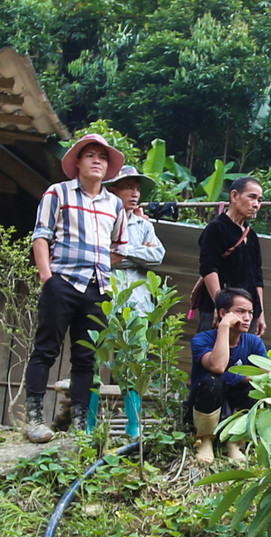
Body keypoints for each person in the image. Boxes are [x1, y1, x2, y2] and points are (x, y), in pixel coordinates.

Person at [23, 133, 130, 441]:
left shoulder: (114, 204)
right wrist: (48, 278)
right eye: (91, 155)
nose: (97, 160)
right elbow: (41, 236)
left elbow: (119, 247)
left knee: (86, 357)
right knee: (46, 349)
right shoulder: (58, 193)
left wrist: (100, 269)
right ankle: (34, 420)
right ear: (78, 162)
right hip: (63, 282)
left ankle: (81, 427)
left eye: (103, 157)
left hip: (98, 288)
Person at [104, 164, 166, 439]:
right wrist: (139, 255)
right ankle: (91, 426)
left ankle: (133, 427)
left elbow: (158, 256)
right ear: (114, 190)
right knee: (99, 361)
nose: (135, 193)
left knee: (137, 363)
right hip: (106, 298)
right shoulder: (103, 218)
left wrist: (124, 251)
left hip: (140, 304)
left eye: (138, 188)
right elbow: (102, 258)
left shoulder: (144, 224)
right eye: (129, 186)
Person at [190, 288, 265, 464]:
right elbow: (217, 366)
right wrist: (224, 326)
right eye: (241, 311)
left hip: (235, 404)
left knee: (256, 388)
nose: (247, 318)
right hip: (207, 405)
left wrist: (237, 378)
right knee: (213, 382)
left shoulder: (254, 342)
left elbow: (266, 374)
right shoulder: (202, 340)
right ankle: (206, 440)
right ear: (223, 313)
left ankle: (234, 440)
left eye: (250, 312)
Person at [197, 176, 266, 336]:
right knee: (214, 357)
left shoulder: (252, 236)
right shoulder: (216, 228)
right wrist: (220, 306)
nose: (256, 205)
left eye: (259, 200)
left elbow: (257, 278)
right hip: (219, 311)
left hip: (248, 315)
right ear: (234, 196)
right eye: (252, 197)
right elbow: (209, 268)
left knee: (245, 359)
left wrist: (259, 313)